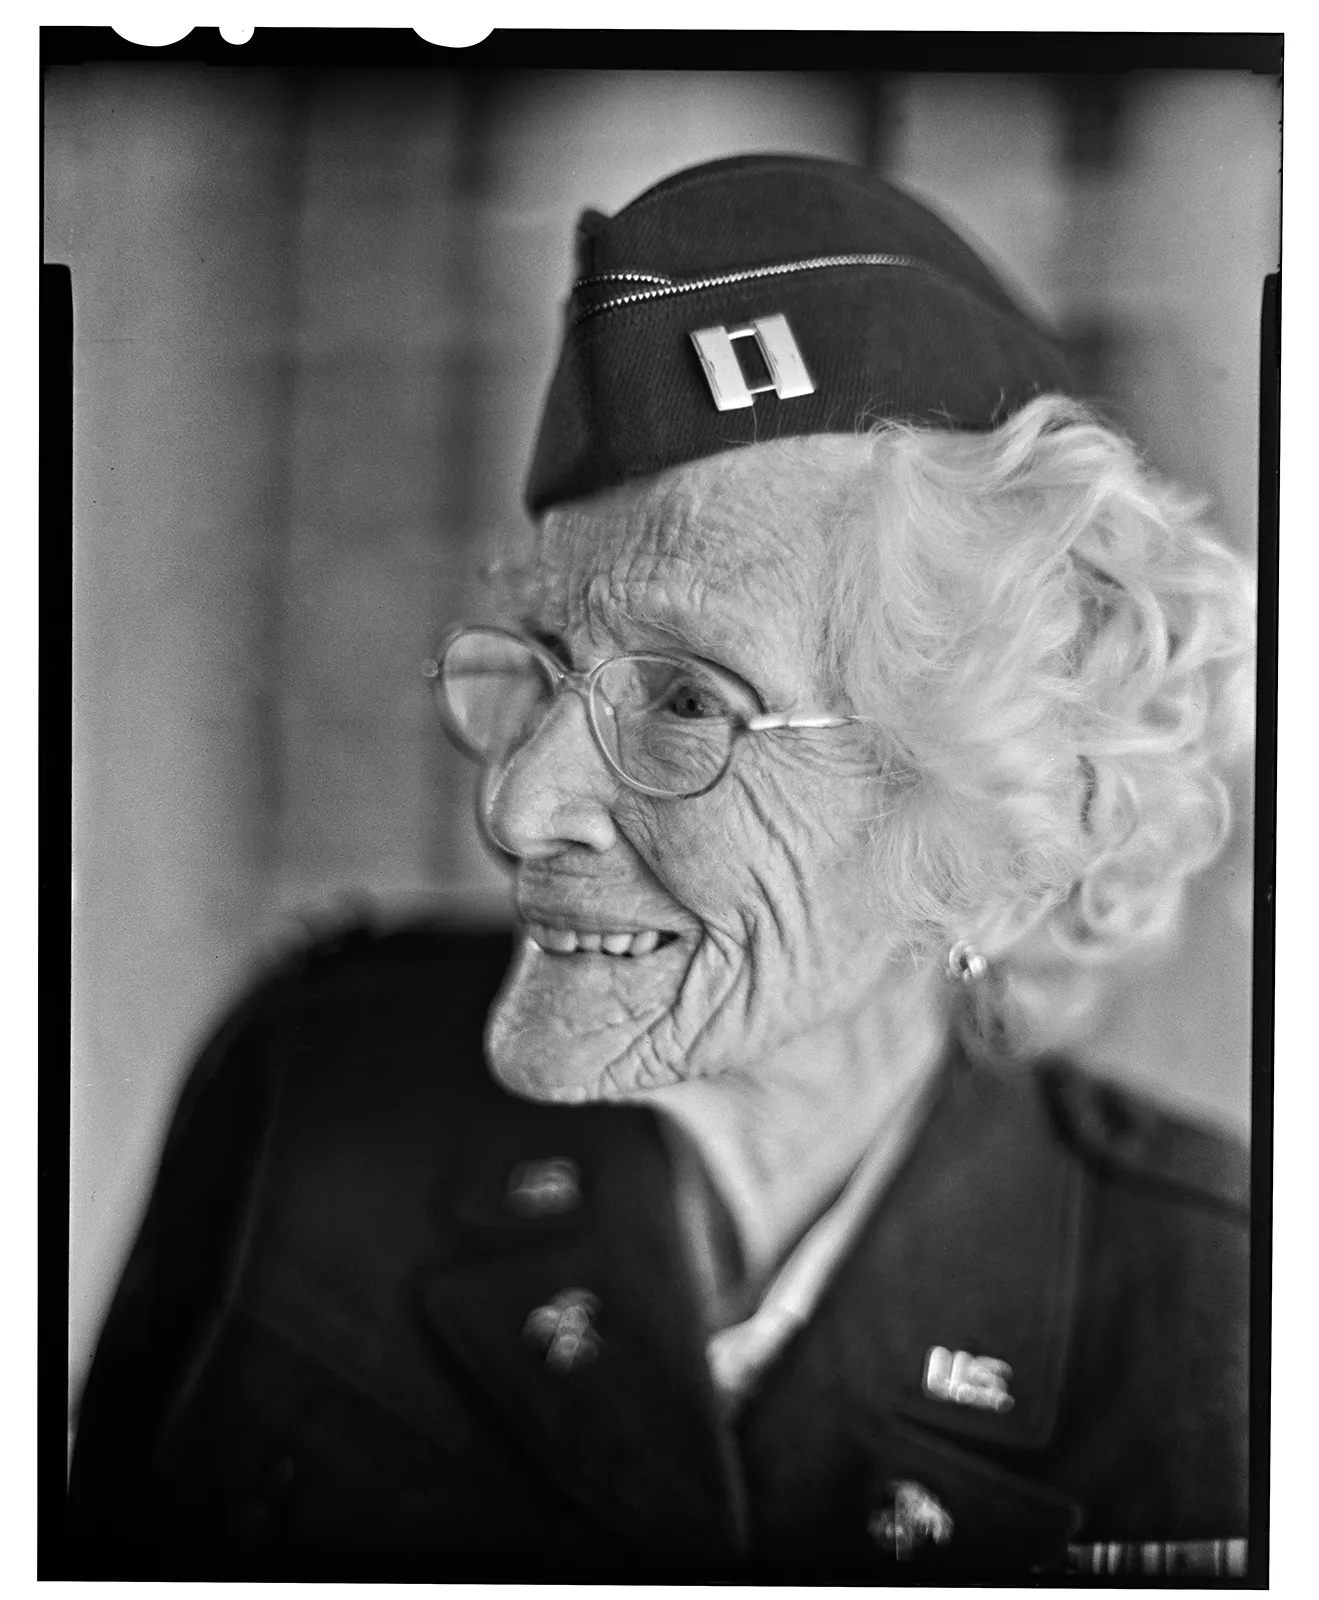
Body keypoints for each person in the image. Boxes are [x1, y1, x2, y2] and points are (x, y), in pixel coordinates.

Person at [67, 153, 1255, 1581]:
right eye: (544, 667)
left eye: (689, 700)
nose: (518, 804)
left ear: (993, 831)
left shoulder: (1230, 1320)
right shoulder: (315, 1086)